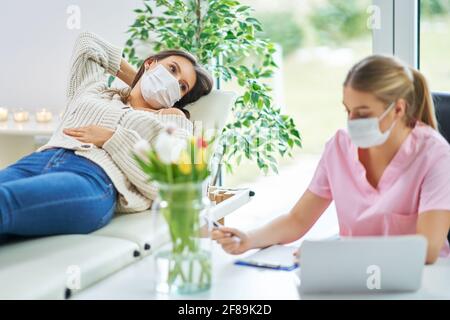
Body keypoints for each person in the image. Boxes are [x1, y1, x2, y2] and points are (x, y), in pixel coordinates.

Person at [213, 55, 450, 264]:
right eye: (348, 110)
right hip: (354, 275)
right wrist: (249, 239)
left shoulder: (434, 154)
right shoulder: (339, 146)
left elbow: (427, 249)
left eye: (363, 113)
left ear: (398, 109)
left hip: (421, 280)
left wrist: (338, 252)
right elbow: (297, 220)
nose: (352, 121)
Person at [0, 32, 213, 239]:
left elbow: (176, 189)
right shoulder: (94, 91)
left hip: (93, 179)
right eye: (172, 69)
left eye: (181, 86)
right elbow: (87, 44)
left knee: (4, 203)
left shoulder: (171, 122)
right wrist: (139, 80)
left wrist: (113, 138)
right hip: (36, 162)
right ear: (150, 63)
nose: (172, 82)